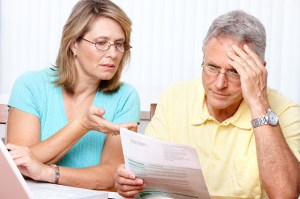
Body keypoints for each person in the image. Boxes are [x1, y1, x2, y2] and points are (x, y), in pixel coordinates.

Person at [114, 10, 300, 198]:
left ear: (258, 71)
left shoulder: (285, 111)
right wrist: (130, 180)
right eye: (212, 67)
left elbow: (285, 194)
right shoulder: (175, 97)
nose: (219, 84)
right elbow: (149, 179)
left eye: (235, 72)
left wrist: (259, 104)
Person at [6, 0, 140, 190]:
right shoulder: (30, 85)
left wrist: (49, 173)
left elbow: (111, 174)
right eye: (101, 43)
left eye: (119, 44)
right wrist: (82, 125)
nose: (113, 53)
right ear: (73, 44)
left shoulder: (126, 96)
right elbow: (17, 165)